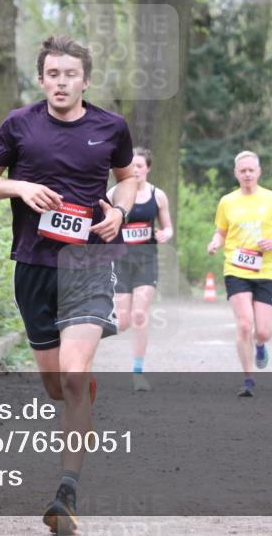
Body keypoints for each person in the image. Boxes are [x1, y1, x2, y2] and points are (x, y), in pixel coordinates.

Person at [0, 35, 136, 535]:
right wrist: (20, 186)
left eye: (70, 74)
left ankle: (65, 492)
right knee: (55, 387)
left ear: (85, 80)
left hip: (86, 261)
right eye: (53, 74)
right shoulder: (19, 125)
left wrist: (120, 210)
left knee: (71, 372)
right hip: (33, 265)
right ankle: (81, 401)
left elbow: (127, 177)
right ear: (41, 79)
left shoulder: (111, 126)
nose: (61, 82)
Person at [207, 151, 272, 397]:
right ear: (236, 173)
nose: (246, 174)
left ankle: (261, 344)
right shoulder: (227, 201)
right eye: (242, 171)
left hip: (266, 269)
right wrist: (215, 242)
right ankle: (248, 379)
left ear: (259, 172)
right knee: (244, 324)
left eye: (250, 170)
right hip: (236, 268)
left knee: (263, 330)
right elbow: (221, 232)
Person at [108, 147, 174, 392]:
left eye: (139, 166)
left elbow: (168, 228)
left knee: (139, 315)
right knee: (123, 321)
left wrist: (165, 234)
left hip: (147, 262)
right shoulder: (114, 193)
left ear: (147, 168)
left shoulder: (158, 196)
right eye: (131, 165)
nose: (135, 170)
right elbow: (102, 221)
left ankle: (138, 372)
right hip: (121, 262)